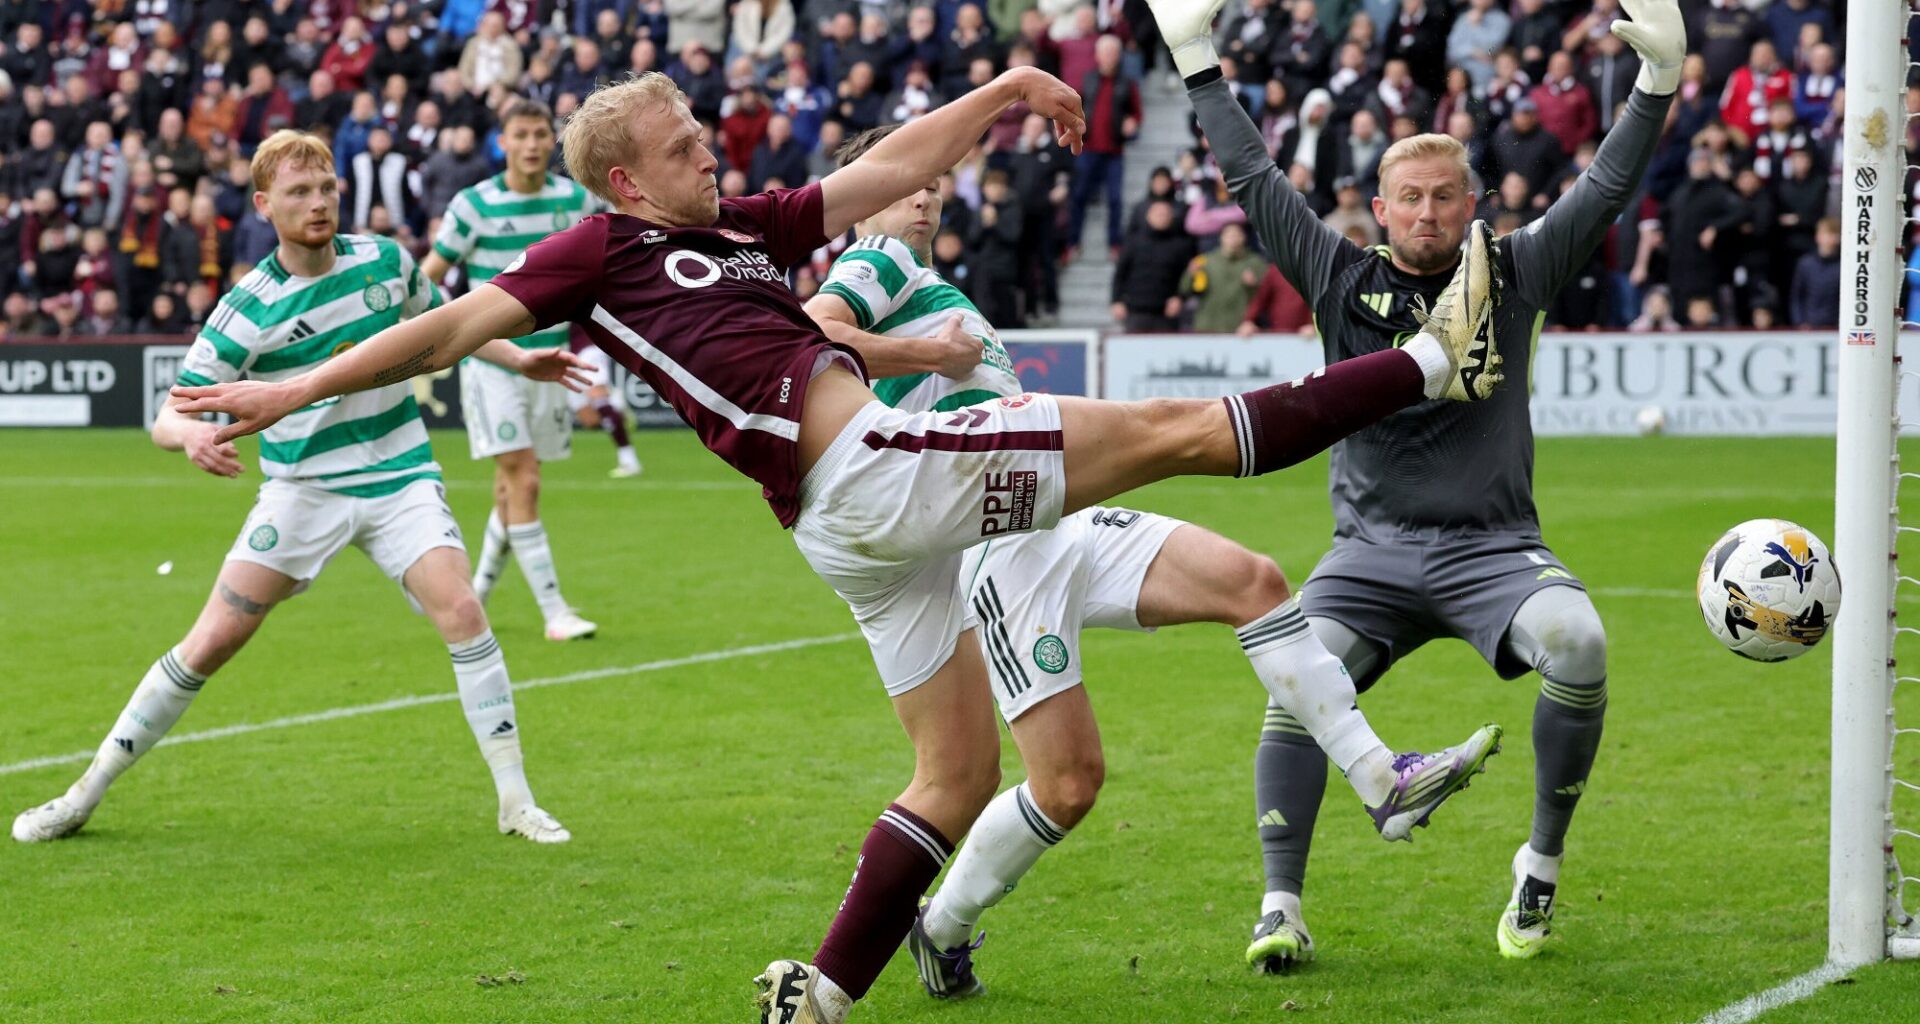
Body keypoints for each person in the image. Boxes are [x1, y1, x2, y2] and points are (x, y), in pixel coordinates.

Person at [173, 69, 1505, 1024]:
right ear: (627, 180)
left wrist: (999, 93)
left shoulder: (742, 229)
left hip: (845, 525)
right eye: (684, 145)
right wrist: (293, 389)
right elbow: (445, 331)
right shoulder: (601, 250)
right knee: (1175, 431)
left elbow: (881, 172)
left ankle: (821, 993)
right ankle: (1436, 360)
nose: (710, 151)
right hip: (871, 471)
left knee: (954, 773)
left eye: (703, 133)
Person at [805, 123, 1500, 1002]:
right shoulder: (875, 261)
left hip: (1052, 520)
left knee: (1252, 582)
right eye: (902, 182)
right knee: (1066, 784)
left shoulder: (922, 277)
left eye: (932, 182)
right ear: (859, 197)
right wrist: (928, 355)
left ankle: (1378, 777)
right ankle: (939, 928)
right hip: (995, 549)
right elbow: (813, 335)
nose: (921, 195)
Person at [1150, 0, 1685, 969]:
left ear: (1472, 203)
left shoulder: (1516, 270)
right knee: (1295, 686)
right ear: (1381, 207)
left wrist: (1656, 86)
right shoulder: (1337, 276)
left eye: (1445, 196)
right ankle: (1280, 908)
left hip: (1494, 549)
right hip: (1369, 557)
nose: (1428, 212)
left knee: (1580, 643)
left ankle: (1540, 865)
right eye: (1410, 198)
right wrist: (1197, 63)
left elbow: (1606, 188)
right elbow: (1254, 177)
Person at [13, 131, 579, 848]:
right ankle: (82, 794)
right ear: (263, 205)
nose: (319, 203)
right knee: (209, 642)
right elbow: (168, 414)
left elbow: (448, 326)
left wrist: (517, 359)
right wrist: (191, 437)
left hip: (399, 478)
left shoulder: (385, 260)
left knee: (464, 610)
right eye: (300, 192)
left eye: (327, 188)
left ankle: (516, 802)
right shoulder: (247, 308)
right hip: (303, 490)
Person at [420, 101, 607, 642]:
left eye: (539, 134)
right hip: (495, 364)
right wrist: (455, 328)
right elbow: (428, 279)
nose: (531, 144)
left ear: (552, 140)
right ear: (501, 143)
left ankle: (475, 593)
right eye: (520, 135)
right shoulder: (473, 205)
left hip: (553, 362)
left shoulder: (575, 200)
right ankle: (555, 612)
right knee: (524, 477)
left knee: (514, 488)